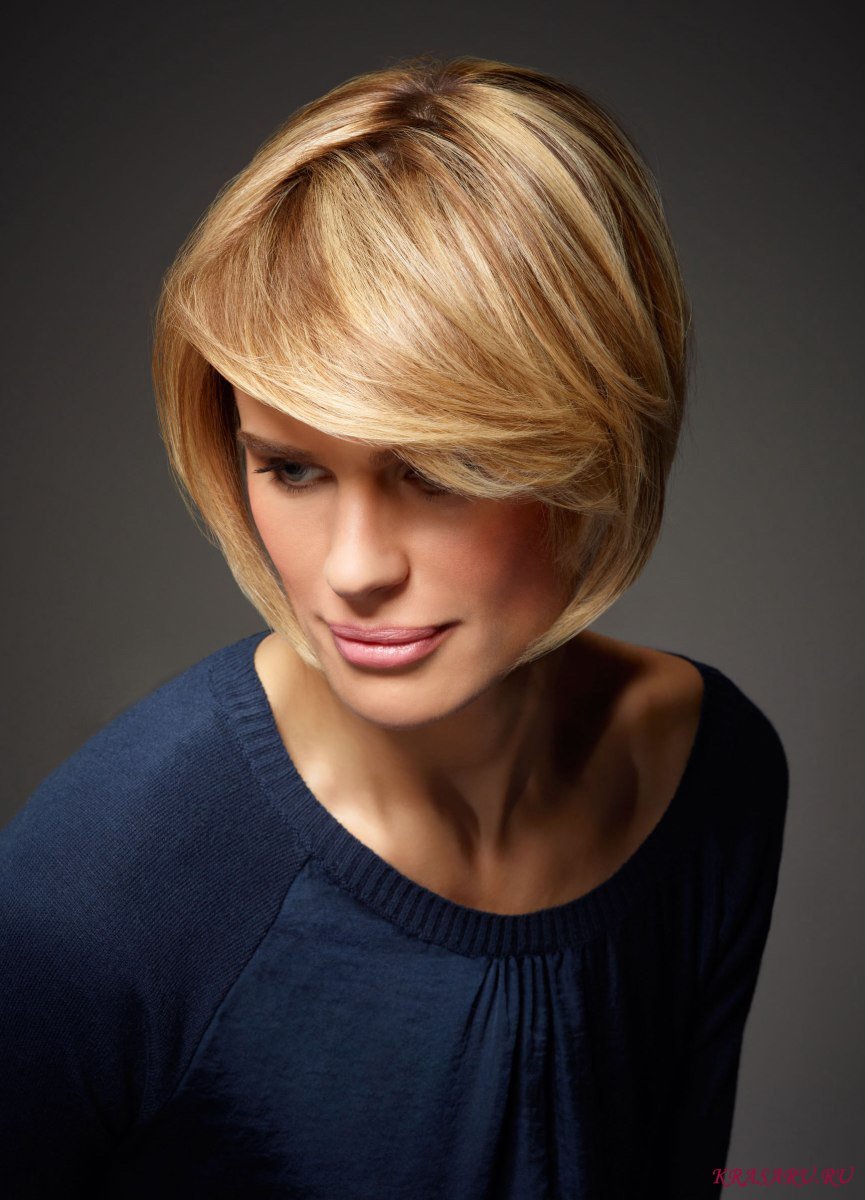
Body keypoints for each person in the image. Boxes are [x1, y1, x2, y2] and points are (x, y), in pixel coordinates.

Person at [0, 54, 788, 1198]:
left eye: (440, 471)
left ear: (596, 436)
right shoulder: (108, 883)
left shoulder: (710, 777)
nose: (353, 571)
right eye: (290, 468)